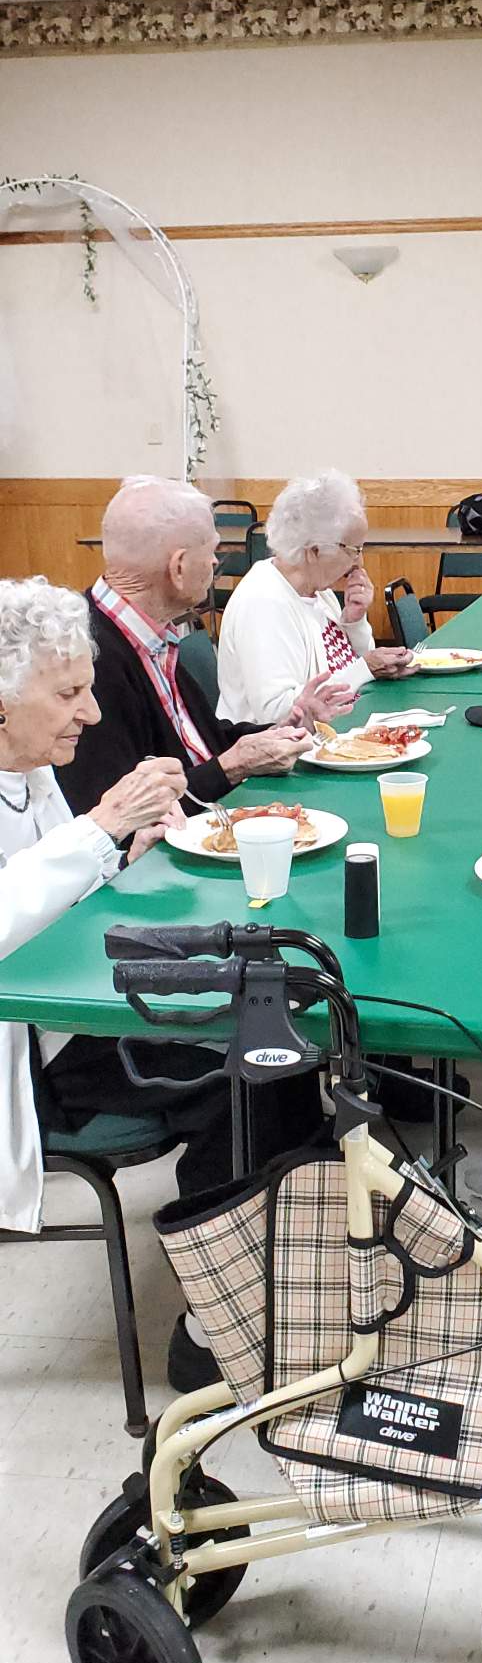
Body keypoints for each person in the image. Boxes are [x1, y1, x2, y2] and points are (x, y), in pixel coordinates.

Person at [0, 577, 239, 1391]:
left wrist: (125, 849)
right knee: (241, 1075)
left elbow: (54, 889)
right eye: (68, 692)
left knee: (270, 1038)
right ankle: (212, 1328)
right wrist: (102, 830)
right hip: (27, 1070)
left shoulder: (25, 767)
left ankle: (247, 1285)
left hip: (63, 1024)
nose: (92, 714)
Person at [58, 475, 345, 815]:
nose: (214, 564)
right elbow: (120, 813)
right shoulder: (88, 658)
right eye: (212, 552)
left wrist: (284, 729)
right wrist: (231, 767)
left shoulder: (151, 633)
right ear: (178, 567)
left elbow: (197, 742)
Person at [216, 471, 416, 725]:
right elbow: (277, 712)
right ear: (315, 551)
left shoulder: (320, 592)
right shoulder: (265, 602)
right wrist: (365, 668)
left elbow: (356, 670)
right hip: (284, 754)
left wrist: (354, 623)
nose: (360, 561)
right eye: (353, 550)